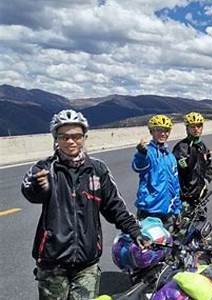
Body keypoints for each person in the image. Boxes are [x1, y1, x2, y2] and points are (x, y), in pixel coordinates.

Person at [21, 109, 146, 300]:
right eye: (64, 136)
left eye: (77, 136)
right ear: (56, 138)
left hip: (87, 263)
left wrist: (135, 232)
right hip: (52, 263)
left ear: (84, 138)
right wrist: (41, 189)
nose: (71, 141)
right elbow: (30, 192)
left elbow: (114, 206)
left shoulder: (97, 169)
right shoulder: (44, 169)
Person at [132, 114, 182, 227]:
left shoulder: (170, 156)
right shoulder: (148, 152)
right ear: (151, 132)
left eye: (166, 130)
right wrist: (141, 153)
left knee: (168, 243)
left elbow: (175, 185)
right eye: (159, 130)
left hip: (168, 213)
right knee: (147, 244)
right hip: (149, 212)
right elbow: (138, 166)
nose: (163, 133)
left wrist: (177, 209)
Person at [173, 112, 212, 210]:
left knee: (200, 222)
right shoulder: (181, 147)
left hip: (200, 194)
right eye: (193, 127)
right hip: (186, 197)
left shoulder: (202, 146)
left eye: (199, 126)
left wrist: (207, 180)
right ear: (187, 128)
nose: (196, 129)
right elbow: (179, 170)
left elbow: (209, 166)